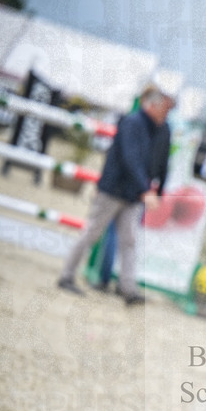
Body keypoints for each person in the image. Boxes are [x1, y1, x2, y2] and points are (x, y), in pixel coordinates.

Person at [57, 84, 176, 305]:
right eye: (165, 108)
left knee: (129, 241)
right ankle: (66, 276)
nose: (167, 113)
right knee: (92, 233)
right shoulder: (132, 123)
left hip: (134, 194)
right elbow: (131, 159)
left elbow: (162, 162)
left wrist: (158, 191)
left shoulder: (162, 129)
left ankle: (128, 289)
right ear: (153, 105)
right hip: (114, 190)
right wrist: (146, 190)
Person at [93, 109, 172, 293]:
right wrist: (153, 190)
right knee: (120, 237)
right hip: (130, 188)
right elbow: (137, 159)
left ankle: (116, 282)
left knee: (122, 238)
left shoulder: (148, 125)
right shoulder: (143, 124)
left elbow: (151, 161)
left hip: (133, 189)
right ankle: (117, 282)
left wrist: (154, 191)